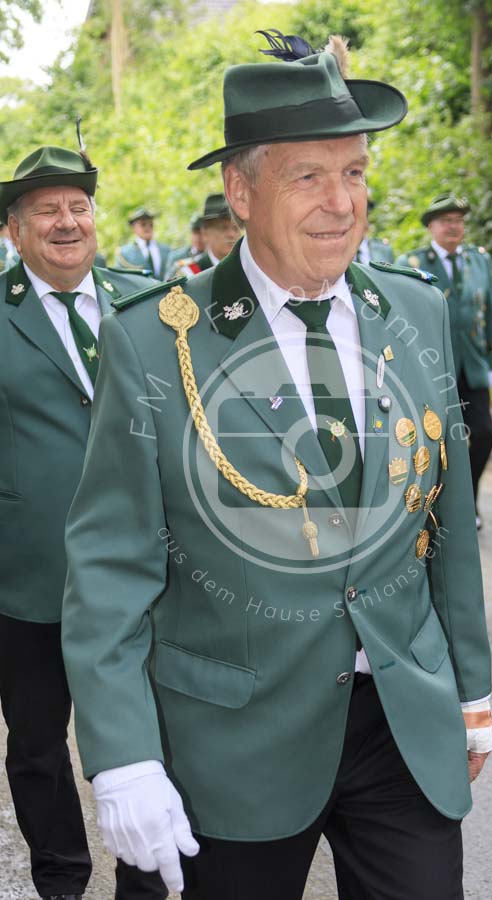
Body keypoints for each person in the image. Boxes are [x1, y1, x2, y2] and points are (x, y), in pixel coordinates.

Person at [62, 34, 492, 900]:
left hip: (398, 719)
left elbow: (444, 521)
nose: (342, 203)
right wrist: (124, 755)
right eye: (308, 176)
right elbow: (110, 564)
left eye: (356, 173)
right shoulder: (153, 339)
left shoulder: (416, 310)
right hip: (234, 739)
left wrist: (471, 690)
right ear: (241, 191)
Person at [0, 145, 169, 900]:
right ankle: (62, 879)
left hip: (146, 572)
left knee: (152, 736)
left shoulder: (152, 301)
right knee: (37, 745)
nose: (67, 222)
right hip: (28, 574)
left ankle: (145, 881)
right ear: (14, 230)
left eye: (78, 207)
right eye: (47, 210)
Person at [397, 192, 492, 527]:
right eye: (446, 221)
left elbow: (491, 310)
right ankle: (436, 507)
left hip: (472, 367)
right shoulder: (412, 264)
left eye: (458, 221)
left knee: (483, 434)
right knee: (440, 442)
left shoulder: (479, 261)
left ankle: (467, 500)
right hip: (434, 369)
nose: (453, 227)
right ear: (431, 227)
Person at [116, 207, 171, 278]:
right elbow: (120, 278)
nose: (147, 227)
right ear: (133, 228)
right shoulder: (124, 253)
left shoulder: (166, 250)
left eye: (151, 224)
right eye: (143, 225)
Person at [191, 192, 240, 270]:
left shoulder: (248, 269)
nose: (231, 234)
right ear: (205, 233)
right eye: (223, 228)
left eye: (235, 228)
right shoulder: (192, 272)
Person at [164, 211, 207, 279]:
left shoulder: (215, 256)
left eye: (202, 233)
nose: (198, 238)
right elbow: (168, 282)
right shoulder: (176, 257)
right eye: (195, 233)